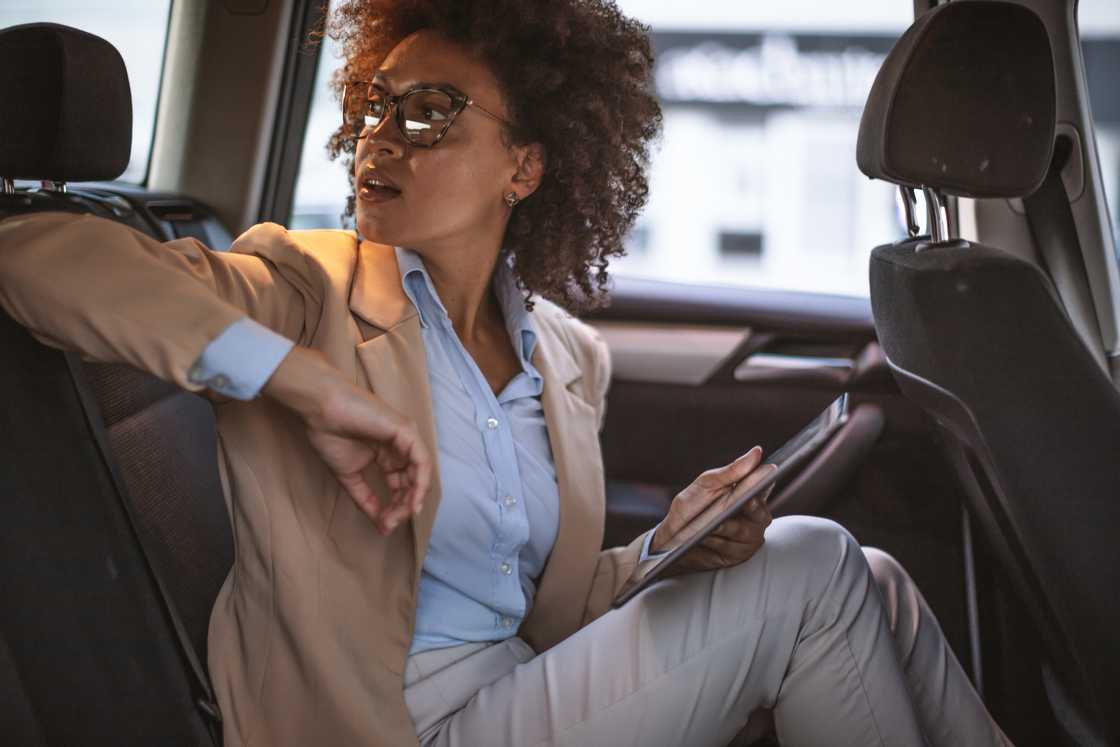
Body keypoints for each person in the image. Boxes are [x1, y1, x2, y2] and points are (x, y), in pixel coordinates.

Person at [0, 1, 1013, 745]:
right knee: (816, 567)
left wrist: (669, 545)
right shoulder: (308, 283)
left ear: (524, 168)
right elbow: (32, 258)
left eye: (429, 111)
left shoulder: (567, 357)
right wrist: (301, 383)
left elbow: (542, 611)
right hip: (380, 730)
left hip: (518, 696)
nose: (377, 138)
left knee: (869, 576)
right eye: (372, 106)